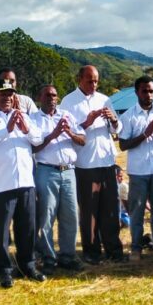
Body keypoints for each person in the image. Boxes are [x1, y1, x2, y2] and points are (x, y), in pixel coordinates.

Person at [0, 79, 45, 288]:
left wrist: (25, 128)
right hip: (0, 185)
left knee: (27, 228)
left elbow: (38, 140)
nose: (7, 97)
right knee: (1, 232)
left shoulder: (23, 115)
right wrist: (7, 129)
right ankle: (4, 270)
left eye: (10, 93)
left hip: (25, 182)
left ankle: (28, 265)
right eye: (2, 93)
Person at [58, 65, 126, 264]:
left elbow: (116, 129)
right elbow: (66, 132)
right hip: (85, 164)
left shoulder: (104, 99)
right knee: (89, 212)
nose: (93, 84)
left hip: (107, 161)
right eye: (89, 81)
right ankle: (92, 252)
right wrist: (87, 122)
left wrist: (114, 120)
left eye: (96, 81)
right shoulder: (68, 102)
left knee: (110, 208)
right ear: (79, 79)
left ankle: (114, 250)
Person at [31, 84, 86, 274]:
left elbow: (83, 140)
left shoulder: (67, 115)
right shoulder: (33, 119)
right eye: (47, 95)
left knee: (70, 215)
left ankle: (68, 255)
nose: (51, 98)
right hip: (46, 171)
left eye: (54, 95)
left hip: (69, 171)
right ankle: (49, 257)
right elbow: (33, 147)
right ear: (40, 97)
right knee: (47, 216)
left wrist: (69, 133)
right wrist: (53, 134)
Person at [119, 76, 153, 259]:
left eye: (151, 91)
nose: (148, 95)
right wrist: (145, 134)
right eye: (144, 91)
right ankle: (136, 247)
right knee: (137, 210)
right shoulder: (128, 116)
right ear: (137, 92)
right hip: (138, 171)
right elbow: (123, 145)